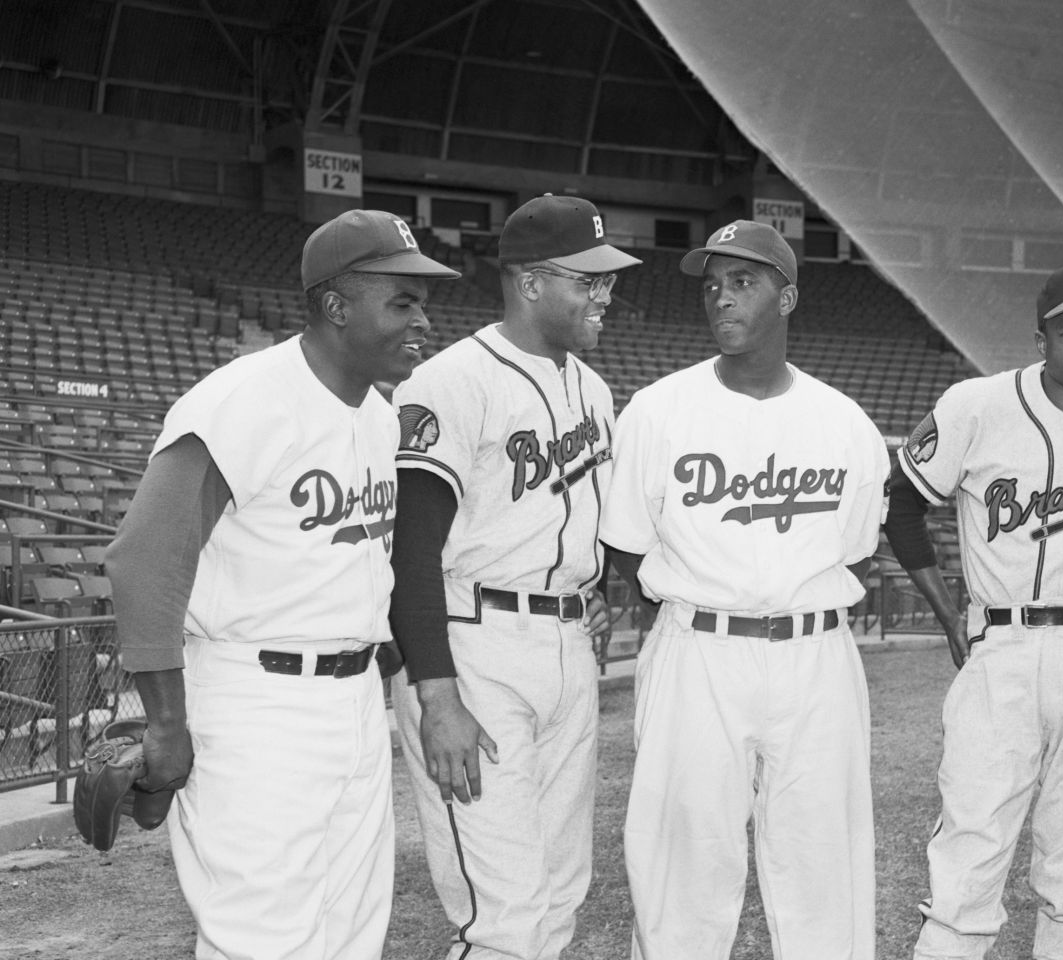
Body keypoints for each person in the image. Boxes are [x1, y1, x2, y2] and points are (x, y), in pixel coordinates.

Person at [104, 209, 459, 959]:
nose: (423, 321)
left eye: (423, 303)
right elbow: (142, 560)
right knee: (262, 939)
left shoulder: (379, 416)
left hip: (353, 702)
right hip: (258, 707)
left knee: (352, 931)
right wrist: (166, 724)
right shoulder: (243, 400)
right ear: (336, 306)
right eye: (403, 302)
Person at [599, 220, 889, 960]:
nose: (721, 297)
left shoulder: (844, 422)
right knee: (682, 869)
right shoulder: (657, 410)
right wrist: (693, 604)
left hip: (815, 654)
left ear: (786, 298)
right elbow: (625, 547)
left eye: (742, 282)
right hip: (698, 650)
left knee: (823, 866)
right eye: (711, 285)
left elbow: (856, 554)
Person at [386, 194, 637, 959]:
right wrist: (437, 696)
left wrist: (598, 592)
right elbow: (410, 553)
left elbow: (581, 518)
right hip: (476, 648)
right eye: (587, 280)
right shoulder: (450, 382)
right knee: (505, 919)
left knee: (560, 896)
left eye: (607, 279)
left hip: (566, 646)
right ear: (530, 283)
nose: (605, 294)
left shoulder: (593, 389)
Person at [884, 265, 1063, 959]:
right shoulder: (977, 405)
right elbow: (903, 500)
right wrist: (947, 611)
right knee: (972, 845)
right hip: (1004, 645)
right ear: (1041, 342)